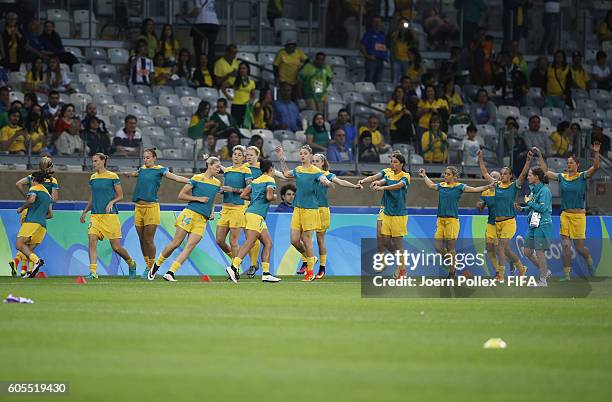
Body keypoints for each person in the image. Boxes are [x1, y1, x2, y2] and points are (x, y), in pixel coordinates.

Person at [148, 155, 221, 282]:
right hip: (189, 214)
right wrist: (198, 199)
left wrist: (212, 211)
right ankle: (156, 265)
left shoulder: (217, 183)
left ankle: (170, 272)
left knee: (189, 247)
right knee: (175, 243)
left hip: (202, 220)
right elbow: (181, 195)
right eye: (217, 166)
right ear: (209, 166)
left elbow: (212, 199)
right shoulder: (197, 178)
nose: (219, 169)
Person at [122, 148, 190, 277]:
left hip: (151, 208)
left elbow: (175, 177)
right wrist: (128, 174)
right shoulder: (142, 169)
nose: (145, 159)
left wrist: (190, 181)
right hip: (138, 208)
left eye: (148, 157)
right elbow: (136, 173)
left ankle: (151, 267)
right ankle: (147, 264)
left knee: (148, 239)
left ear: (154, 158)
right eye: (144, 157)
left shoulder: (160, 169)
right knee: (141, 239)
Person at [419, 166, 493, 278]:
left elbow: (474, 189)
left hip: (452, 220)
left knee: (450, 247)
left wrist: (488, 186)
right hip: (440, 220)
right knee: (438, 247)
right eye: (445, 174)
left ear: (454, 176)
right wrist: (424, 175)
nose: (445, 176)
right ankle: (452, 263)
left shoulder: (459, 187)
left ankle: (452, 271)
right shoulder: (442, 186)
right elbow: (430, 185)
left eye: (448, 174)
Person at [540, 144, 600, 280]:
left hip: (579, 216)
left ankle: (589, 262)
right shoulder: (562, 177)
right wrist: (539, 156)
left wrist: (596, 153)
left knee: (580, 248)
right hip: (565, 215)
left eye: (571, 163)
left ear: (577, 165)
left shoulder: (582, 176)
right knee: (566, 245)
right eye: (567, 163)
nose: (568, 165)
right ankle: (567, 275)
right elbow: (546, 172)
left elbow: (595, 167)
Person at [275, 145, 331, 281]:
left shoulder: (316, 171)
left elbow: (323, 179)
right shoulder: (298, 170)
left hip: (310, 210)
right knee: (294, 240)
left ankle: (310, 272)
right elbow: (285, 175)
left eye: (305, 153)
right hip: (298, 209)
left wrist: (325, 181)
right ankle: (311, 258)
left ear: (310, 156)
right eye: (301, 153)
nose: (302, 155)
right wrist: (282, 159)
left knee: (306, 240)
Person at [80, 153, 137, 279]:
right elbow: (92, 197)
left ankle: (131, 263)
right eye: (93, 161)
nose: (93, 163)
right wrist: (85, 211)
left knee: (116, 247)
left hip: (110, 216)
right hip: (95, 215)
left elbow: (120, 196)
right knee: (92, 241)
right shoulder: (93, 177)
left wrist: (112, 202)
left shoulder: (113, 176)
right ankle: (93, 272)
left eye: (96, 161)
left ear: (103, 161)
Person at [226, 159, 281, 283]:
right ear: (271, 169)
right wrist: (274, 196)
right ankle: (234, 267)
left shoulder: (255, 181)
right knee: (250, 242)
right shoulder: (270, 180)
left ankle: (266, 273)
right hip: (256, 215)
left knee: (268, 243)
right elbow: (268, 196)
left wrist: (255, 198)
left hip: (254, 214)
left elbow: (243, 195)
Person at [478, 149, 530, 282]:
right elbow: (484, 172)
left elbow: (523, 174)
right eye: (501, 174)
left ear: (511, 176)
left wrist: (528, 160)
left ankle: (500, 275)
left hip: (509, 222)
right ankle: (521, 268)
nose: (502, 176)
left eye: (505, 174)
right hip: (497, 223)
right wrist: (481, 158)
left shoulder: (514, 186)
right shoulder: (496, 185)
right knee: (505, 250)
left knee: (500, 247)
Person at [311, 153, 362, 279]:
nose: (314, 163)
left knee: (319, 239)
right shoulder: (308, 173)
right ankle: (309, 261)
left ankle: (322, 268)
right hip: (308, 209)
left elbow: (340, 181)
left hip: (322, 209)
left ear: (322, 163)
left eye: (317, 161)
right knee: (302, 237)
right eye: (313, 161)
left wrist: (354, 185)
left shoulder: (327, 175)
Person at [12, 157, 58, 277]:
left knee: (19, 244)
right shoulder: (47, 194)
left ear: (33, 179)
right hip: (42, 225)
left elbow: (31, 199)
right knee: (28, 248)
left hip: (31, 221)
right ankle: (28, 271)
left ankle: (35, 262)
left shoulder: (34, 188)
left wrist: (22, 207)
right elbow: (50, 214)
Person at [370, 153, 411, 278]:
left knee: (398, 243)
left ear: (401, 164)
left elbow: (399, 186)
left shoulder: (406, 176)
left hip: (399, 214)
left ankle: (402, 270)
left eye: (395, 162)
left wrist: (383, 188)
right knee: (385, 240)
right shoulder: (388, 174)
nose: (392, 164)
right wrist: (377, 183)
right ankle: (400, 263)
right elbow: (383, 180)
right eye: (391, 161)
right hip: (387, 212)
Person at [215, 145, 251, 266]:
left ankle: (234, 269)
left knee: (233, 241)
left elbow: (249, 189)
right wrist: (222, 190)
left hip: (237, 208)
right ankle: (236, 260)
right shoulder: (228, 170)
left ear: (243, 158)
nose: (236, 156)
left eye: (239, 155)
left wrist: (233, 189)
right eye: (235, 154)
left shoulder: (246, 171)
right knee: (219, 240)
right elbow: (227, 187)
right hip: (225, 208)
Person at [518, 166, 553, 287]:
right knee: (527, 251)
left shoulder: (545, 191)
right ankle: (546, 272)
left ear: (536, 177)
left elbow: (542, 208)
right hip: (533, 224)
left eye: (530, 175)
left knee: (540, 253)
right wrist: (522, 208)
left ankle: (543, 280)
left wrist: (529, 202)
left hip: (542, 225)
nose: (528, 177)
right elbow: (532, 207)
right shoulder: (534, 190)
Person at [186, 0, 219, 65]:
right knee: (211, 48)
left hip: (201, 23)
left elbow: (197, 10)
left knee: (198, 47)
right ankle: (211, 67)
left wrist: (186, 15)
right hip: (214, 23)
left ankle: (200, 65)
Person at [224, 62, 255, 127]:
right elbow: (223, 87)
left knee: (245, 126)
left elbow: (253, 95)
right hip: (236, 105)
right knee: (236, 125)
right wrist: (228, 96)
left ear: (247, 70)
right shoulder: (234, 79)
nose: (242, 70)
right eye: (240, 68)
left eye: (244, 68)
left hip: (246, 107)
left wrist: (251, 101)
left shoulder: (252, 82)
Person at [359, 16, 387, 84]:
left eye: (379, 22)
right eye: (375, 22)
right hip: (371, 61)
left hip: (381, 61)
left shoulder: (382, 35)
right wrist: (367, 56)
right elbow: (362, 45)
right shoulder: (368, 34)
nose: (377, 23)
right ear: (372, 23)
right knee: (369, 80)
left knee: (378, 81)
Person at [389, 18, 414, 83]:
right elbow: (393, 40)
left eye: (404, 23)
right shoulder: (395, 33)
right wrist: (398, 29)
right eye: (401, 23)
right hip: (396, 59)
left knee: (405, 78)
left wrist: (410, 30)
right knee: (395, 78)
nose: (403, 25)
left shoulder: (409, 35)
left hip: (406, 59)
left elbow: (415, 40)